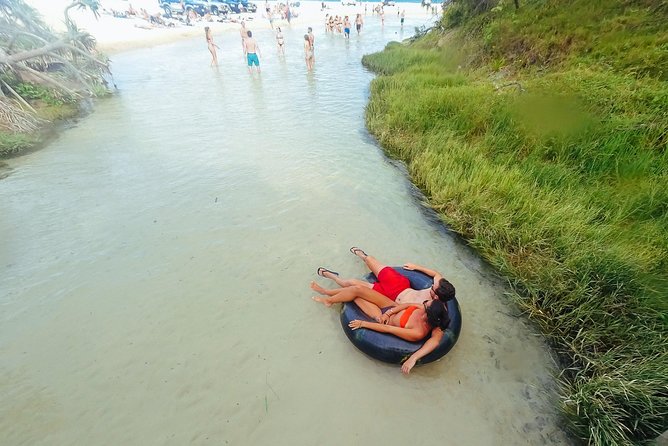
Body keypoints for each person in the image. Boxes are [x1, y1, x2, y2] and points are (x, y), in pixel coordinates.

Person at [311, 284, 451, 374]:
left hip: (381, 318)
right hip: (390, 307)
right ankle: (328, 295)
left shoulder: (417, 332)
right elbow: (407, 304)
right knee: (357, 289)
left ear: (428, 315)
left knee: (355, 298)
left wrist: (364, 324)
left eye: (426, 305)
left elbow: (388, 330)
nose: (424, 304)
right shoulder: (425, 308)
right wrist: (389, 311)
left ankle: (328, 299)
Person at [315, 246, 456, 305]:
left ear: (436, 296)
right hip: (401, 284)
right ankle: (362, 255)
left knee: (351, 283)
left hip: (389, 297)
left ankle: (333, 276)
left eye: (433, 288)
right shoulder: (440, 284)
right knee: (370, 260)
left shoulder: (433, 306)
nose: (432, 284)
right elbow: (436, 274)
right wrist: (416, 267)